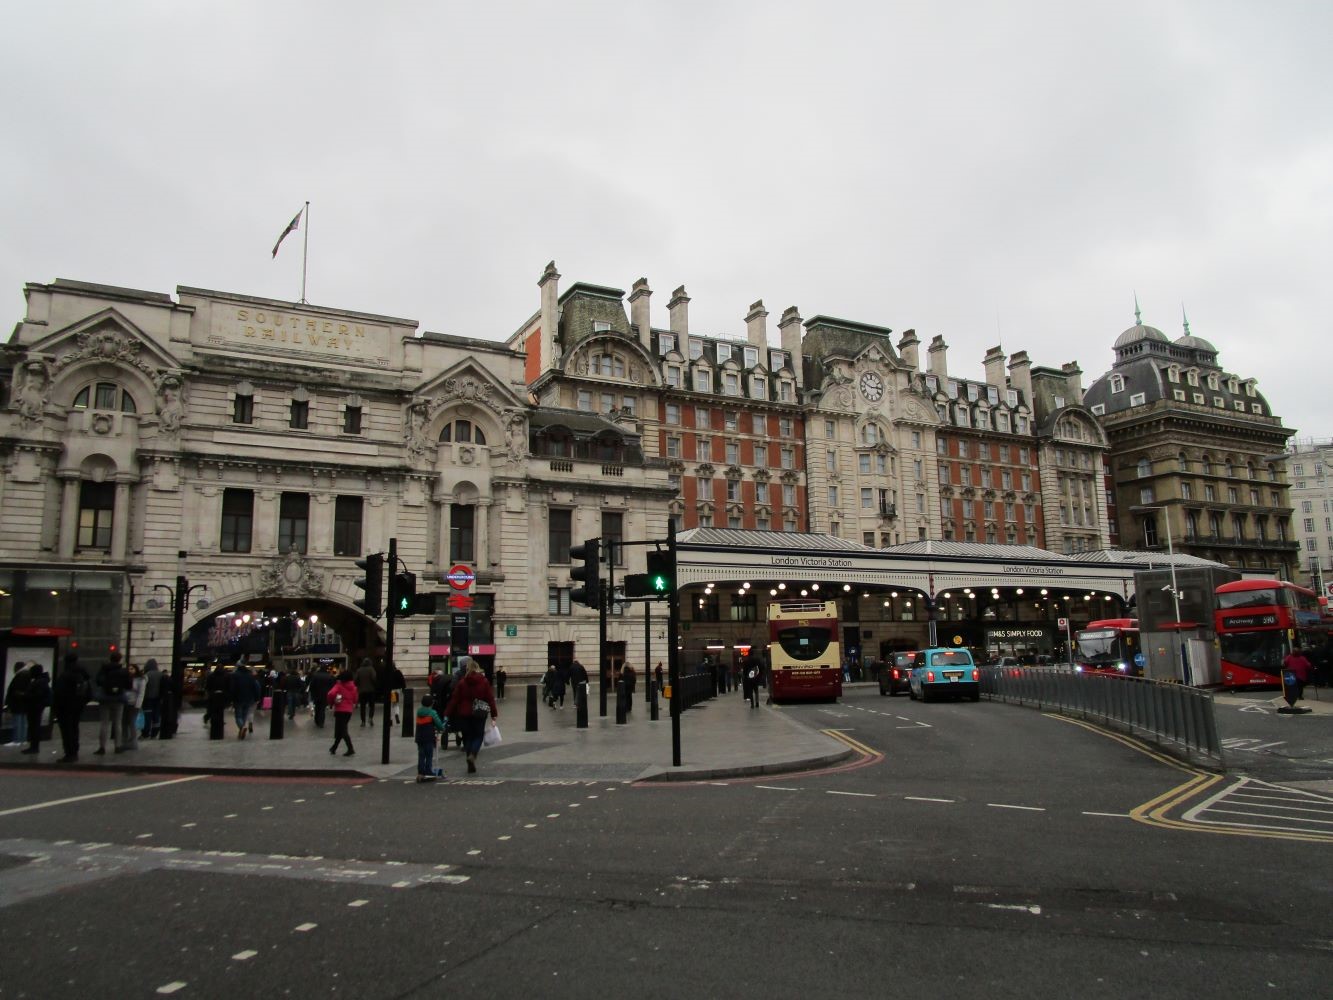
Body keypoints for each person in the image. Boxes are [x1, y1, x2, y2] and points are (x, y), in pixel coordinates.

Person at [444, 657, 498, 775]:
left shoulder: (462, 682)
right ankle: (473, 754)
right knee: (478, 736)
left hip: (464, 713)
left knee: (467, 737)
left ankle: (469, 757)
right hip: (479, 713)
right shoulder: (483, 681)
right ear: (477, 668)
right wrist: (494, 714)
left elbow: (454, 699)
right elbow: (490, 699)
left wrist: (446, 714)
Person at [52, 652, 90, 762]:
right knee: (74, 728)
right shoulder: (82, 674)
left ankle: (69, 753)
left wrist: (56, 706)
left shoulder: (66, 674)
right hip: (78, 706)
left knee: (67, 730)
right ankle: (74, 751)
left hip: (65, 707)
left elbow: (59, 693)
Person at [93, 652, 129, 754]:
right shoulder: (122, 671)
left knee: (104, 723)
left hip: (105, 698)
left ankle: (102, 747)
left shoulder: (104, 669)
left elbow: (98, 681)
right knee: (118, 722)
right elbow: (128, 684)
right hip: (119, 698)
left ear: (110, 659)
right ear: (119, 659)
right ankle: (117, 746)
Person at [414, 693, 447, 782]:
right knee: (429, 755)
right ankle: (428, 771)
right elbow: (439, 725)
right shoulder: (432, 713)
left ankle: (420, 773)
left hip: (419, 737)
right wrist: (442, 728)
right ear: (432, 703)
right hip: (428, 737)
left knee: (421, 755)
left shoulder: (418, 712)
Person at [20, 665, 50, 755]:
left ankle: (34, 747)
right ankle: (33, 746)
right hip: (36, 707)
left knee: (34, 727)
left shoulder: (39, 682)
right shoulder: (41, 681)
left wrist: (24, 696)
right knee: (34, 727)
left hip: (35, 707)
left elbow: (37, 695)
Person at [327, 670, 358, 756]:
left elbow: (330, 694)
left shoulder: (339, 686)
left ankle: (350, 748)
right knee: (341, 730)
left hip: (340, 710)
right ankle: (334, 747)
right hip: (348, 711)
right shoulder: (354, 687)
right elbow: (355, 699)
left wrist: (331, 703)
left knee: (342, 730)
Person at [229, 663, 261, 739]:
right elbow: (255, 687)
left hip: (238, 699)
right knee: (244, 715)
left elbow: (232, 688)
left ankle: (241, 727)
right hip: (249, 699)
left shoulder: (235, 676)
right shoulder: (250, 677)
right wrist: (257, 698)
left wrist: (231, 699)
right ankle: (242, 729)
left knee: (238, 716)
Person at [5, 660, 32, 747]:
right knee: (23, 722)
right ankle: (22, 739)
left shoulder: (20, 675)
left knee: (17, 722)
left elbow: (16, 690)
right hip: (25, 703)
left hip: (18, 703)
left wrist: (10, 701)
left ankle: (17, 740)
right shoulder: (27, 674)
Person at [120, 663, 145, 751]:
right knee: (124, 723)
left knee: (132, 723)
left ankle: (133, 743)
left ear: (136, 669)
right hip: (125, 703)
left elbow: (141, 693)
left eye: (132, 669)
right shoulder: (126, 678)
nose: (130, 670)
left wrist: (138, 704)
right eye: (129, 669)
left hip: (134, 704)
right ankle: (124, 742)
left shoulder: (140, 680)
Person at [140, 659, 163, 738]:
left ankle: (146, 732)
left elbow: (143, 688)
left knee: (147, 715)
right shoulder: (161, 675)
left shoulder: (146, 675)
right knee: (156, 715)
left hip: (147, 698)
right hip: (158, 698)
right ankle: (155, 732)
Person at [307, 661, 334, 729]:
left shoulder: (316, 675)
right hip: (325, 695)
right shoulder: (329, 676)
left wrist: (312, 693)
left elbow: (312, 685)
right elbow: (332, 686)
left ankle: (316, 720)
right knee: (322, 708)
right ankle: (321, 722)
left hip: (317, 694)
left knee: (317, 707)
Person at [354, 657, 378, 727]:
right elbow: (374, 678)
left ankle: (363, 721)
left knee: (362, 707)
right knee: (372, 706)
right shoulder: (371, 669)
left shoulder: (359, 670)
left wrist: (359, 685)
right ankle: (370, 717)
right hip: (371, 690)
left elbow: (355, 681)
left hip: (362, 691)